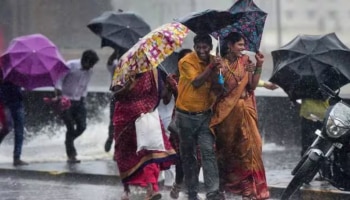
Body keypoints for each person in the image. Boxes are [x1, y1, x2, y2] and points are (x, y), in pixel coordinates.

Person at [209, 32, 270, 200]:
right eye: (240, 45)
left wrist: (259, 65)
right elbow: (218, 90)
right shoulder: (220, 63)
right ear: (230, 45)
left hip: (246, 109)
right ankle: (230, 186)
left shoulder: (246, 61)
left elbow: (252, 85)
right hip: (227, 113)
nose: (243, 48)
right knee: (228, 151)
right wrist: (218, 72)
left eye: (243, 45)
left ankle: (249, 188)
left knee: (253, 147)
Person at [111, 69, 176, 200]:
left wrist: (170, 86)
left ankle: (152, 188)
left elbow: (164, 98)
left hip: (146, 115)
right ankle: (127, 189)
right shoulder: (124, 71)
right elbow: (116, 95)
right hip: (124, 118)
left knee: (150, 152)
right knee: (124, 154)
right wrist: (128, 86)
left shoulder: (155, 73)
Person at [175, 34, 223, 200]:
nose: (202, 51)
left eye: (205, 47)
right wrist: (211, 67)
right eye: (199, 47)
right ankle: (192, 191)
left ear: (210, 47)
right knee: (188, 156)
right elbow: (196, 81)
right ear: (194, 47)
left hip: (204, 116)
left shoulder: (214, 60)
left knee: (208, 152)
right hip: (185, 115)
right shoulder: (186, 61)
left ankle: (212, 191)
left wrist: (217, 70)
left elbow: (217, 88)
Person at [55, 49, 99, 164]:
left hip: (79, 101)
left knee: (82, 126)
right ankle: (71, 155)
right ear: (85, 60)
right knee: (70, 127)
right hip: (66, 100)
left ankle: (68, 141)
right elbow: (59, 80)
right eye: (90, 64)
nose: (91, 67)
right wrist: (59, 95)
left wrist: (83, 98)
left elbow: (85, 85)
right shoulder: (70, 65)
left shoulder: (90, 71)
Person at [0, 78, 28, 166]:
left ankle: (17, 157)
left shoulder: (17, 71)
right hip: (6, 103)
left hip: (17, 103)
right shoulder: (3, 70)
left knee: (19, 130)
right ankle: (17, 158)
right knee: (8, 127)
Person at [104, 48, 123, 153]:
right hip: (116, 97)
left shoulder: (133, 66)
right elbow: (110, 63)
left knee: (122, 124)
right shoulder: (116, 65)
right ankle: (110, 139)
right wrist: (115, 50)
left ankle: (117, 149)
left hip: (127, 97)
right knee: (113, 122)